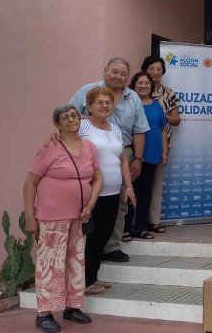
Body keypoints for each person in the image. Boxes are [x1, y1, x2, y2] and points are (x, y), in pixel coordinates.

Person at [24, 105, 101, 332]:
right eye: (64, 117)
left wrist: (90, 205)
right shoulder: (49, 147)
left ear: (80, 119)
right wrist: (30, 216)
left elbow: (97, 180)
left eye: (74, 116)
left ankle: (72, 307)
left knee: (75, 263)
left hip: (80, 215)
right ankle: (44, 313)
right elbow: (30, 183)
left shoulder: (89, 147)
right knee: (50, 264)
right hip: (52, 216)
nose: (70, 119)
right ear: (58, 124)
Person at [70, 57, 148, 263]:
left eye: (123, 73)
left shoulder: (132, 98)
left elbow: (139, 131)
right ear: (105, 71)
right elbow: (67, 116)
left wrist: (138, 159)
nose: (119, 76)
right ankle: (84, 248)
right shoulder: (88, 90)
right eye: (114, 71)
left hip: (121, 154)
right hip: (88, 156)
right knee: (87, 200)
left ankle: (110, 246)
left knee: (120, 202)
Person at [79, 87, 136, 296]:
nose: (105, 106)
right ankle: (83, 282)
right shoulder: (82, 127)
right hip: (91, 194)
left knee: (103, 237)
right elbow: (65, 144)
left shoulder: (114, 130)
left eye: (108, 102)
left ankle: (92, 278)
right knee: (90, 239)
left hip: (113, 192)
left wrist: (129, 187)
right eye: (100, 102)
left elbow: (122, 161)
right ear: (90, 106)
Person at [124, 72, 168, 240]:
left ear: (151, 86)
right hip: (133, 154)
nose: (143, 86)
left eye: (147, 83)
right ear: (134, 85)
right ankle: (126, 228)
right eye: (139, 83)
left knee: (145, 192)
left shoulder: (157, 105)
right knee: (130, 191)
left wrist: (164, 151)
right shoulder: (129, 104)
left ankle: (140, 228)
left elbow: (162, 130)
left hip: (152, 154)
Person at [141, 55, 182, 234]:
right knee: (136, 184)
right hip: (138, 143)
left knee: (155, 184)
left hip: (161, 144)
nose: (156, 72)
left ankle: (153, 221)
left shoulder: (169, 93)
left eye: (159, 69)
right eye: (152, 69)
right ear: (145, 70)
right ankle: (134, 224)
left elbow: (176, 120)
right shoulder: (137, 91)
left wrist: (160, 116)